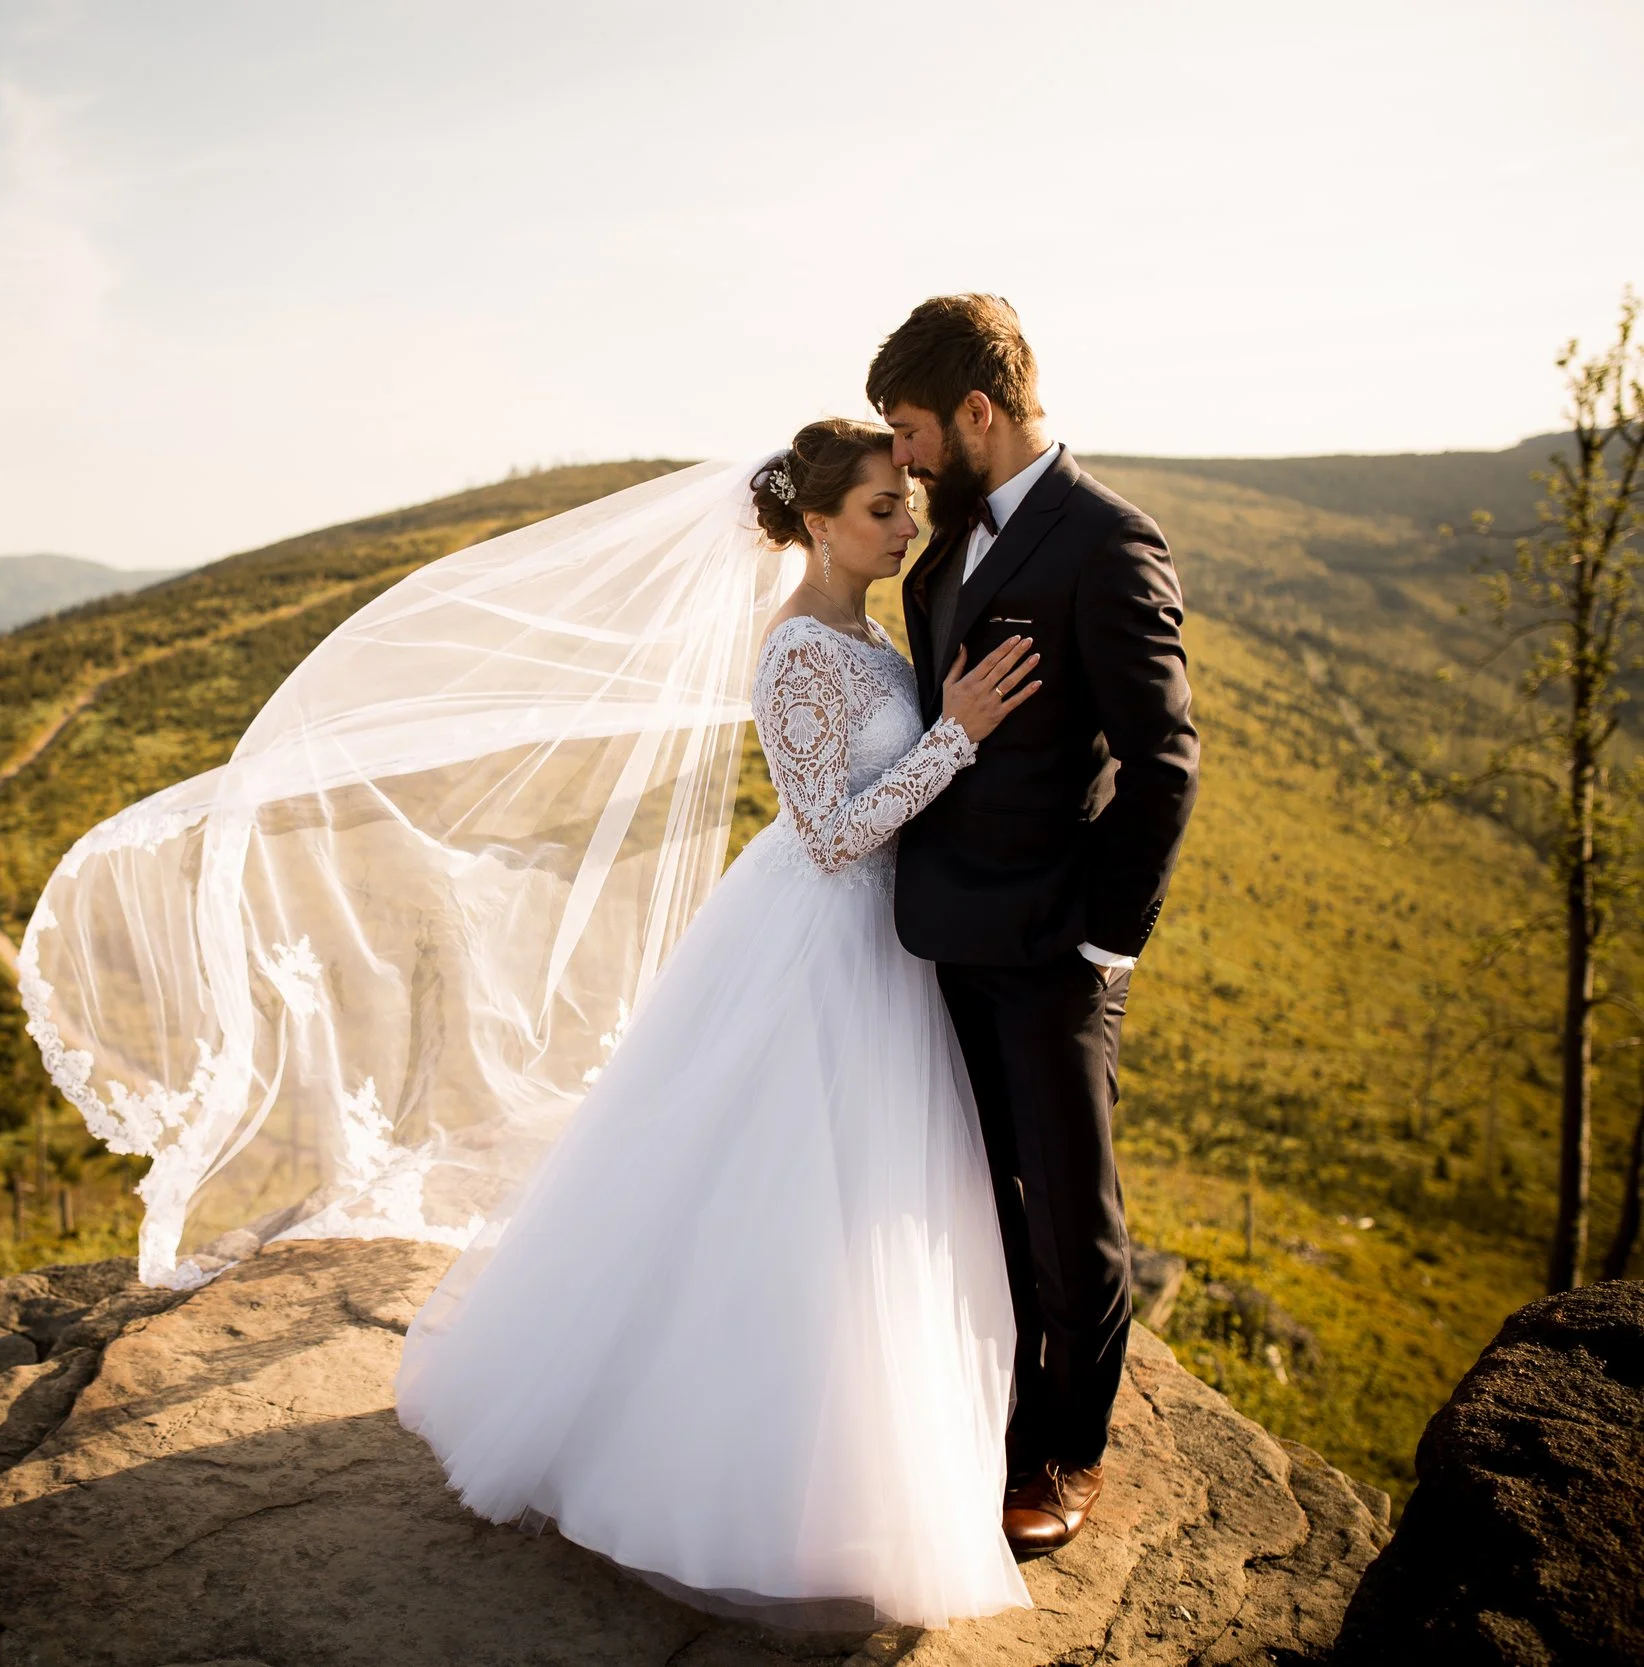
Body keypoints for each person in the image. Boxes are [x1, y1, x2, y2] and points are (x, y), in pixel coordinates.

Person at [388, 421, 1039, 1626]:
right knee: (778, 1199)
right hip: (812, 947)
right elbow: (831, 831)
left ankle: (856, 1466)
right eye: (882, 510)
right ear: (816, 524)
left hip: (882, 950)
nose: (906, 526)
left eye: (903, 504)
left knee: (864, 1209)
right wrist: (957, 736)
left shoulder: (866, 628)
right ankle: (721, 1476)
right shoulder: (797, 649)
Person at [871, 295, 1200, 1552]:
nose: (899, 457)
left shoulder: (1105, 540)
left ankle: (1069, 1454)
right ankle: (998, 1427)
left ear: (976, 410)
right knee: (986, 1210)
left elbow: (1163, 761)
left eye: (909, 429)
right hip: (941, 941)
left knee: (1074, 1222)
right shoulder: (945, 560)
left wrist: (1105, 941)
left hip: (1056, 950)